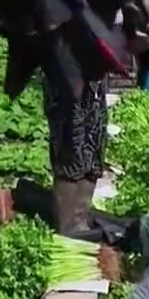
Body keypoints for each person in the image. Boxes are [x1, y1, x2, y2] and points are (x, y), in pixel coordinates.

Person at [40, 72, 109, 235]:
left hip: (93, 78)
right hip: (65, 76)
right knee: (69, 152)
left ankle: (80, 221)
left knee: (93, 150)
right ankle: (66, 227)